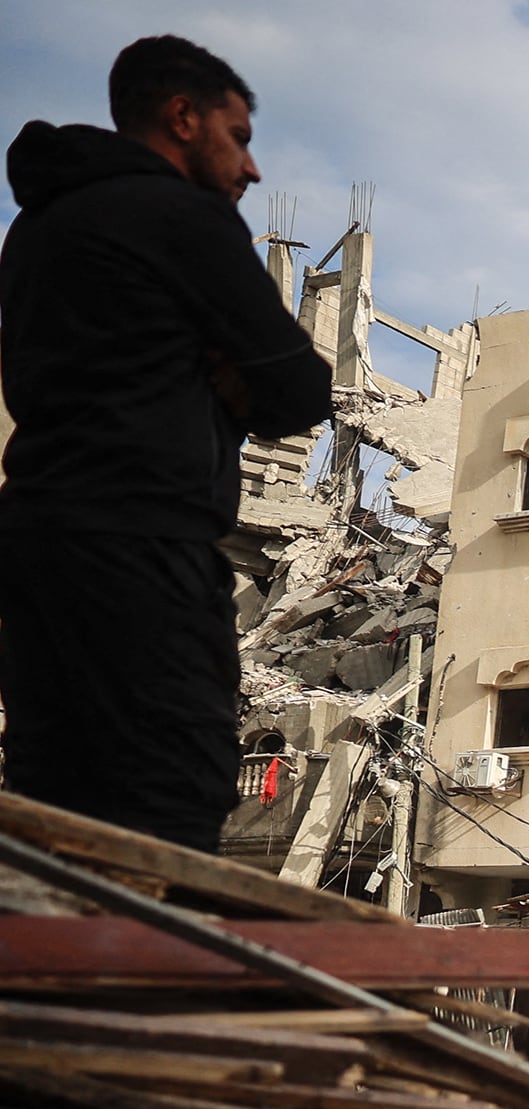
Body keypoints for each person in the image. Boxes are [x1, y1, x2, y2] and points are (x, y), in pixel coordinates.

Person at [0, 37, 332, 852]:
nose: (250, 169)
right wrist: (226, 373)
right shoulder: (181, 217)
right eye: (240, 135)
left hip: (35, 542)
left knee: (53, 789)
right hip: (142, 541)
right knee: (175, 782)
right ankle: (152, 973)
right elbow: (299, 389)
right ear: (183, 118)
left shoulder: (36, 229)